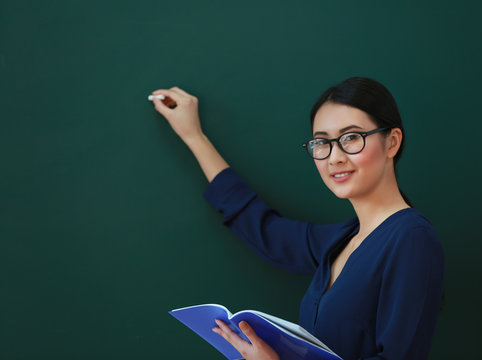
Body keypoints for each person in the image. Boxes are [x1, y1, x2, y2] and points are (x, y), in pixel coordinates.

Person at [151, 77, 445, 360]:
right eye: (321, 142)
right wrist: (194, 136)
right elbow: (265, 230)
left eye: (351, 137)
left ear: (391, 142)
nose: (334, 157)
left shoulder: (410, 238)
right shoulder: (341, 240)